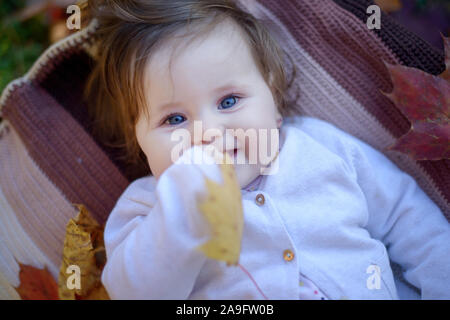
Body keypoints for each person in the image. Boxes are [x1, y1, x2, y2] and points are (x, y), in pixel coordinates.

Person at [84, 0, 450, 299]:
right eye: (174, 120)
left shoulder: (321, 148)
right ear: (139, 142)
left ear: (273, 101)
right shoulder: (145, 208)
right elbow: (135, 292)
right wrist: (178, 218)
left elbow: (408, 219)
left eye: (229, 101)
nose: (208, 133)